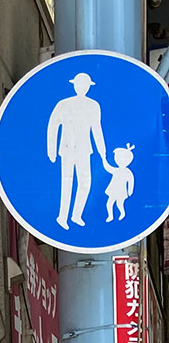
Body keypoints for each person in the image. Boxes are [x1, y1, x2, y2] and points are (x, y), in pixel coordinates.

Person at [46, 71, 108, 230]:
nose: (83, 88)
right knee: (66, 182)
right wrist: (51, 150)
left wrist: (103, 152)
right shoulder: (64, 104)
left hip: (84, 150)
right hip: (67, 149)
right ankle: (62, 217)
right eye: (80, 84)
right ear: (74, 86)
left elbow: (97, 130)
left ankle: (76, 215)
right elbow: (52, 126)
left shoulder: (94, 105)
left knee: (85, 183)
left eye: (85, 85)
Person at [104, 145, 135, 222]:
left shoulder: (128, 172)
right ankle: (110, 216)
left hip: (121, 192)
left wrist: (130, 191)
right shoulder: (116, 170)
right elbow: (108, 168)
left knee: (119, 204)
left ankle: (122, 213)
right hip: (113, 190)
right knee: (109, 203)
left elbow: (131, 181)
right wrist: (103, 160)